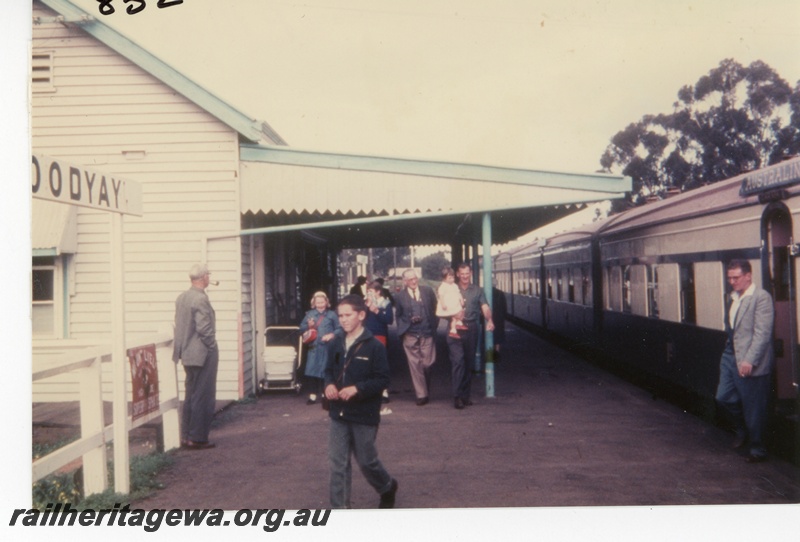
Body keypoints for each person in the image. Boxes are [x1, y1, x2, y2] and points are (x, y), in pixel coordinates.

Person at [324, 295, 398, 509]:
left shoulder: (374, 346)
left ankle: (386, 486)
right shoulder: (336, 342)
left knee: (366, 461)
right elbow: (329, 370)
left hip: (364, 414)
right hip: (338, 412)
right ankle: (340, 511)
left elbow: (382, 379)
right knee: (338, 464)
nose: (343, 320)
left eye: (348, 315)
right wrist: (329, 384)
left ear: (361, 315)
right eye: (340, 316)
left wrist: (357, 389)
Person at [715, 259, 774, 463]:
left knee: (754, 406)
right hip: (730, 355)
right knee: (723, 397)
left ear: (748, 276)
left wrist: (749, 360)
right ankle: (742, 429)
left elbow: (762, 334)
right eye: (729, 278)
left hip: (749, 359)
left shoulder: (761, 298)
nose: (732, 281)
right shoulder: (732, 297)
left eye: (736, 277)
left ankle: (758, 449)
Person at [172, 263, 218, 450]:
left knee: (190, 394)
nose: (209, 277)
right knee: (203, 395)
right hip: (202, 352)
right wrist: (212, 345)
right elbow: (204, 328)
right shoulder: (200, 299)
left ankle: (186, 436)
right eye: (207, 274)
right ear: (203, 277)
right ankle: (197, 438)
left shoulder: (182, 297)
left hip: (186, 353)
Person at [448, 263, 494, 410]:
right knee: (458, 362)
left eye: (467, 273)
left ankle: (465, 396)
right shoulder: (451, 289)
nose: (465, 276)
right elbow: (442, 308)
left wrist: (490, 320)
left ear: (471, 273)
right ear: (457, 274)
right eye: (462, 273)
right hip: (455, 328)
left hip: (472, 328)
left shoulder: (478, 290)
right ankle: (457, 396)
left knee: (468, 363)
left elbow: (485, 307)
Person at [394, 268, 438, 406]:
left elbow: (435, 309)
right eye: (410, 279)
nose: (414, 281)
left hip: (427, 332)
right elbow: (399, 315)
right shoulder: (400, 296)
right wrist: (406, 323)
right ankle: (421, 395)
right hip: (410, 334)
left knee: (427, 363)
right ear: (405, 281)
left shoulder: (428, 291)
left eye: (415, 278)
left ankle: (424, 388)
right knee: (415, 364)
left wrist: (433, 325)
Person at [299, 291, 341, 405]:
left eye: (322, 302)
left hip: (328, 347)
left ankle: (325, 394)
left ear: (326, 302)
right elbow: (301, 328)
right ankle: (312, 395)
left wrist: (331, 335)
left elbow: (340, 328)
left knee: (326, 370)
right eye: (318, 302)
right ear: (314, 303)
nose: (320, 304)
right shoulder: (310, 314)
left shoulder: (332, 314)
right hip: (314, 346)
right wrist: (309, 326)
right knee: (312, 370)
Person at [365, 281, 394, 412]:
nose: (368, 294)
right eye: (367, 291)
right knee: (367, 363)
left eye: (371, 291)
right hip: (366, 336)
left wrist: (376, 310)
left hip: (380, 335)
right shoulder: (365, 303)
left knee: (381, 363)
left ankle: (384, 391)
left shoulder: (386, 303)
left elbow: (389, 320)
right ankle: (370, 391)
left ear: (378, 292)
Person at [436, 267, 466, 339]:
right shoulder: (443, 286)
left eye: (453, 277)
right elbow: (441, 296)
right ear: (444, 278)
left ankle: (455, 328)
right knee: (454, 316)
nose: (452, 279)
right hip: (448, 305)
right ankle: (454, 328)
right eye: (450, 278)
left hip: (454, 304)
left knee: (460, 312)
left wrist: (461, 299)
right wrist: (443, 304)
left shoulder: (454, 285)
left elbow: (458, 293)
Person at [492, 286, 507, 361]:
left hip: (489, 317)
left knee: (490, 335)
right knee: (498, 336)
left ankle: (490, 354)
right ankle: (497, 352)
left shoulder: (485, 293)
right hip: (499, 318)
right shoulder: (500, 293)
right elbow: (504, 307)